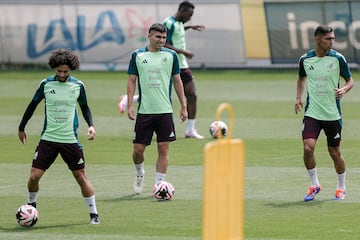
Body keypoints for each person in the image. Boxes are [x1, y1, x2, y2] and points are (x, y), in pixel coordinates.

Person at [18, 49, 100, 224]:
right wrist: (22, 127)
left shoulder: (78, 86)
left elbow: (85, 107)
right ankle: (32, 204)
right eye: (59, 71)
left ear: (71, 70)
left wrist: (91, 125)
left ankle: (94, 214)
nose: (62, 74)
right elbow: (32, 105)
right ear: (54, 68)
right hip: (48, 139)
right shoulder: (46, 84)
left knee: (81, 177)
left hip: (70, 140)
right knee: (33, 177)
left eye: (65, 71)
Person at [119, 1, 204, 139]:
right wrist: (183, 51)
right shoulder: (168, 23)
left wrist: (189, 27)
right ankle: (130, 100)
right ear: (182, 11)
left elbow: (175, 33)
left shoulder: (179, 23)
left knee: (191, 95)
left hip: (181, 64)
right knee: (161, 90)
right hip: (169, 62)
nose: (190, 17)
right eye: (189, 14)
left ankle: (190, 129)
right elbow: (167, 44)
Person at [126, 23, 187, 194]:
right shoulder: (138, 55)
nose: (161, 40)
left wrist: (183, 105)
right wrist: (130, 104)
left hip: (165, 111)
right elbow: (132, 81)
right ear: (149, 36)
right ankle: (140, 173)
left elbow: (177, 81)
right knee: (138, 150)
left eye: (164, 37)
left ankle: (158, 185)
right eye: (158, 37)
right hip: (144, 112)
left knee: (163, 148)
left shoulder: (171, 55)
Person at [295, 25, 354, 202]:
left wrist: (344, 89)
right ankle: (314, 185)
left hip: (332, 114)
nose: (332, 42)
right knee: (307, 148)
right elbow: (301, 78)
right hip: (312, 112)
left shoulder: (338, 58)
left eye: (333, 38)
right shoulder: (305, 59)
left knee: (334, 152)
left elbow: (350, 80)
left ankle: (341, 187)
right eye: (328, 39)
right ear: (318, 39)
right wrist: (298, 97)